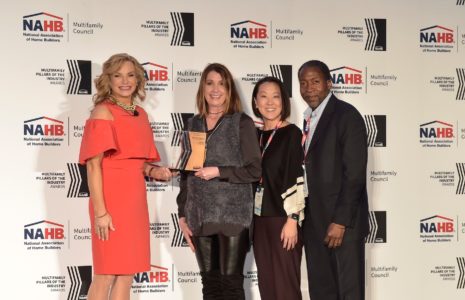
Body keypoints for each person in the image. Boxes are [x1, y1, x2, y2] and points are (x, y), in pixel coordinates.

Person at [79, 53, 173, 300]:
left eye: (130, 75)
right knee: (106, 274)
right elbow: (92, 166)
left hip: (134, 201)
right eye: (117, 75)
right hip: (110, 201)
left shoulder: (141, 114)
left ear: (138, 79)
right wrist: (101, 212)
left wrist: (156, 171)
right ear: (108, 80)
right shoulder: (103, 112)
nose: (125, 81)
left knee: (126, 274)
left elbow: (141, 164)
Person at [176, 63, 262, 300]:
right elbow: (185, 174)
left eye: (222, 84)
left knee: (231, 286)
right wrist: (182, 213)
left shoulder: (241, 122)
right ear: (202, 87)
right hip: (199, 215)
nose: (216, 89)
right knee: (210, 286)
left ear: (229, 89)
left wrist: (219, 171)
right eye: (210, 83)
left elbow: (254, 170)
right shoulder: (192, 124)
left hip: (232, 216)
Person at [298, 60, 369, 300]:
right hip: (314, 223)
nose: (309, 88)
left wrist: (339, 221)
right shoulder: (308, 119)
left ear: (329, 83)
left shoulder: (347, 116)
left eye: (315, 81)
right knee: (321, 292)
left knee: (348, 293)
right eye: (303, 83)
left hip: (342, 226)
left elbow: (355, 174)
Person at [250, 76, 305, 300]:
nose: (269, 102)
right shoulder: (254, 136)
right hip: (258, 220)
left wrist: (293, 219)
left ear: (283, 102)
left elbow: (298, 176)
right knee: (268, 287)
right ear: (255, 102)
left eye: (275, 96)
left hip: (284, 220)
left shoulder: (292, 134)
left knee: (286, 288)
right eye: (263, 96)